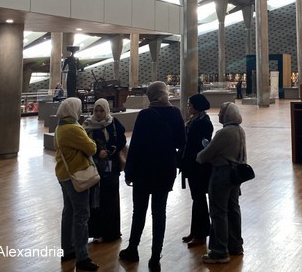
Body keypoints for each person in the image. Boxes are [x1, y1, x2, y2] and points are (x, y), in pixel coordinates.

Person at [119, 82, 186, 272]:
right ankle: (155, 257)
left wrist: (129, 172)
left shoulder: (145, 115)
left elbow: (136, 146)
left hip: (143, 170)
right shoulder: (175, 113)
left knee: (139, 212)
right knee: (159, 213)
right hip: (165, 170)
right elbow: (181, 142)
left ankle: (133, 249)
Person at [196, 102, 246, 264]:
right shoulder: (240, 130)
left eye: (221, 112)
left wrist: (200, 154)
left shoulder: (224, 132)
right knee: (233, 209)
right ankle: (236, 245)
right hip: (235, 174)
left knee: (218, 212)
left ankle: (219, 251)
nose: (218, 115)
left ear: (227, 115)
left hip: (221, 174)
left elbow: (207, 154)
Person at [54, 98, 100, 272]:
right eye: (79, 108)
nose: (80, 111)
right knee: (81, 215)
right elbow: (92, 148)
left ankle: (68, 249)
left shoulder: (60, 127)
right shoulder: (73, 128)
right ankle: (82, 257)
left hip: (64, 174)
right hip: (76, 175)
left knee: (69, 212)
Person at [83, 98, 126, 243]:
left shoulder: (113, 123)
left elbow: (121, 140)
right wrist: (96, 153)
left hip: (110, 167)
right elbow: (84, 144)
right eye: (96, 110)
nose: (99, 113)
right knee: (95, 200)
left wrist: (110, 151)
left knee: (110, 198)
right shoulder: (88, 124)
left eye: (102, 110)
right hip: (93, 166)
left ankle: (111, 232)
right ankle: (96, 231)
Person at [180, 94, 213, 248]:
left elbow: (200, 145)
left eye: (190, 104)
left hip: (198, 166)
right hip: (191, 165)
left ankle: (201, 233)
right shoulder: (195, 120)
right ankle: (196, 230)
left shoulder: (203, 123)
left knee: (199, 199)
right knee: (196, 199)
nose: (188, 107)